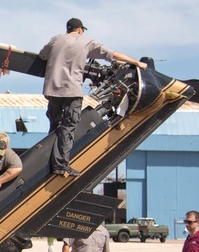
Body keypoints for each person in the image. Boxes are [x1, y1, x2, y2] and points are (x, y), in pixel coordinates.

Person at [38, 18, 147, 176]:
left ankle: (46, 162)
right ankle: (60, 164)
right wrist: (137, 63)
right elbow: (113, 54)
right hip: (72, 92)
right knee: (68, 127)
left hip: (52, 90)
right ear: (80, 30)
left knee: (55, 125)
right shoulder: (86, 42)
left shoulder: (56, 39)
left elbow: (42, 56)